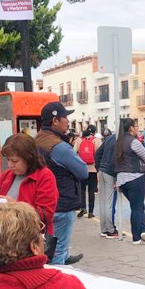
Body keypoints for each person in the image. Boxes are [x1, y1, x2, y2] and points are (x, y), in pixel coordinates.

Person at [35, 102, 88, 265]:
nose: (68, 121)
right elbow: (82, 171)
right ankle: (59, 274)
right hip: (61, 203)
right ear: (55, 121)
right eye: (65, 117)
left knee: (47, 246)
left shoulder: (36, 140)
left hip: (42, 202)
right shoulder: (59, 147)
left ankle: (64, 256)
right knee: (56, 250)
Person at [0, 133, 58, 237]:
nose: (10, 165)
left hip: (31, 238)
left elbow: (45, 215)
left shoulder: (45, 176)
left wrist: (15, 205)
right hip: (7, 237)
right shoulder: (7, 175)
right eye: (8, 160)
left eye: (15, 161)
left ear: (29, 158)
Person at [114, 118, 145, 245]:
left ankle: (143, 230)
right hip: (135, 177)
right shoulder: (134, 142)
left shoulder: (118, 142)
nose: (137, 128)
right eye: (136, 126)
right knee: (137, 208)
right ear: (131, 128)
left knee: (138, 206)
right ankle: (136, 237)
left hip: (122, 180)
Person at [94, 126, 121, 239]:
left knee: (103, 201)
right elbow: (119, 159)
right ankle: (110, 229)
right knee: (109, 202)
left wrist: (98, 167)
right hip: (110, 172)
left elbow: (97, 153)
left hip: (102, 171)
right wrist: (117, 177)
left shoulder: (109, 138)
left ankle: (104, 229)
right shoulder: (120, 141)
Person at [74, 128, 100, 219]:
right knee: (91, 191)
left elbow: (73, 153)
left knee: (82, 190)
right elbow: (99, 153)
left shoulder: (78, 140)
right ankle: (91, 212)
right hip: (93, 169)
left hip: (82, 169)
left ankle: (83, 207)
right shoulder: (96, 141)